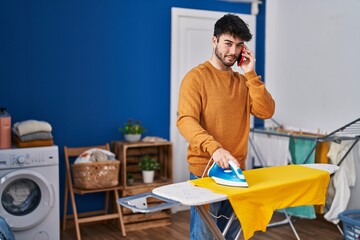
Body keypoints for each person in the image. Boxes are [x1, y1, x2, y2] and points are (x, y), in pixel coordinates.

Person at [176, 13, 275, 239]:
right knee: (204, 236)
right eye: (228, 43)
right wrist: (214, 147)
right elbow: (185, 120)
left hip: (236, 173)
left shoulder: (243, 82)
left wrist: (250, 74)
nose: (233, 51)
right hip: (205, 172)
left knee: (230, 235)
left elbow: (266, 111)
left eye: (239, 45)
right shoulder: (195, 78)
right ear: (214, 41)